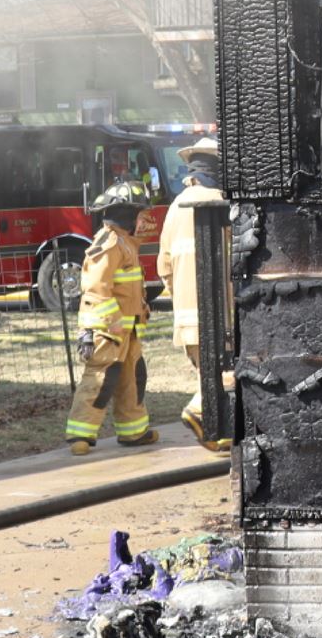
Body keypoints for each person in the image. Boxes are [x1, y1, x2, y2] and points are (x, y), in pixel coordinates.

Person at [64, 180, 158, 455]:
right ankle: (80, 435)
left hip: (128, 330)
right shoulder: (109, 243)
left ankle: (133, 432)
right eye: (140, 214)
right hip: (108, 330)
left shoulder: (127, 242)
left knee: (133, 379)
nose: (144, 221)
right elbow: (96, 288)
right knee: (101, 379)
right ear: (126, 215)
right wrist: (113, 320)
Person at [156, 136, 230, 450]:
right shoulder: (221, 202)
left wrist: (181, 300)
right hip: (221, 314)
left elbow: (163, 266)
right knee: (225, 374)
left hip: (187, 317)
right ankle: (198, 410)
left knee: (207, 374)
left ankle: (218, 437)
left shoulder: (176, 206)